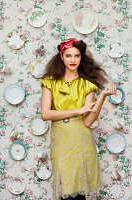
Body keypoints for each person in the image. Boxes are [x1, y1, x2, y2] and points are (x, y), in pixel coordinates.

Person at [40, 38, 116, 200]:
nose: (73, 60)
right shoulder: (50, 82)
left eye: (77, 56)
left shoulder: (87, 84)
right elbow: (45, 114)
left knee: (79, 193)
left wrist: (102, 97)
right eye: (68, 56)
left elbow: (88, 121)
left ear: (82, 58)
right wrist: (78, 110)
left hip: (82, 138)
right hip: (61, 138)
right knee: (65, 190)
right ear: (61, 57)